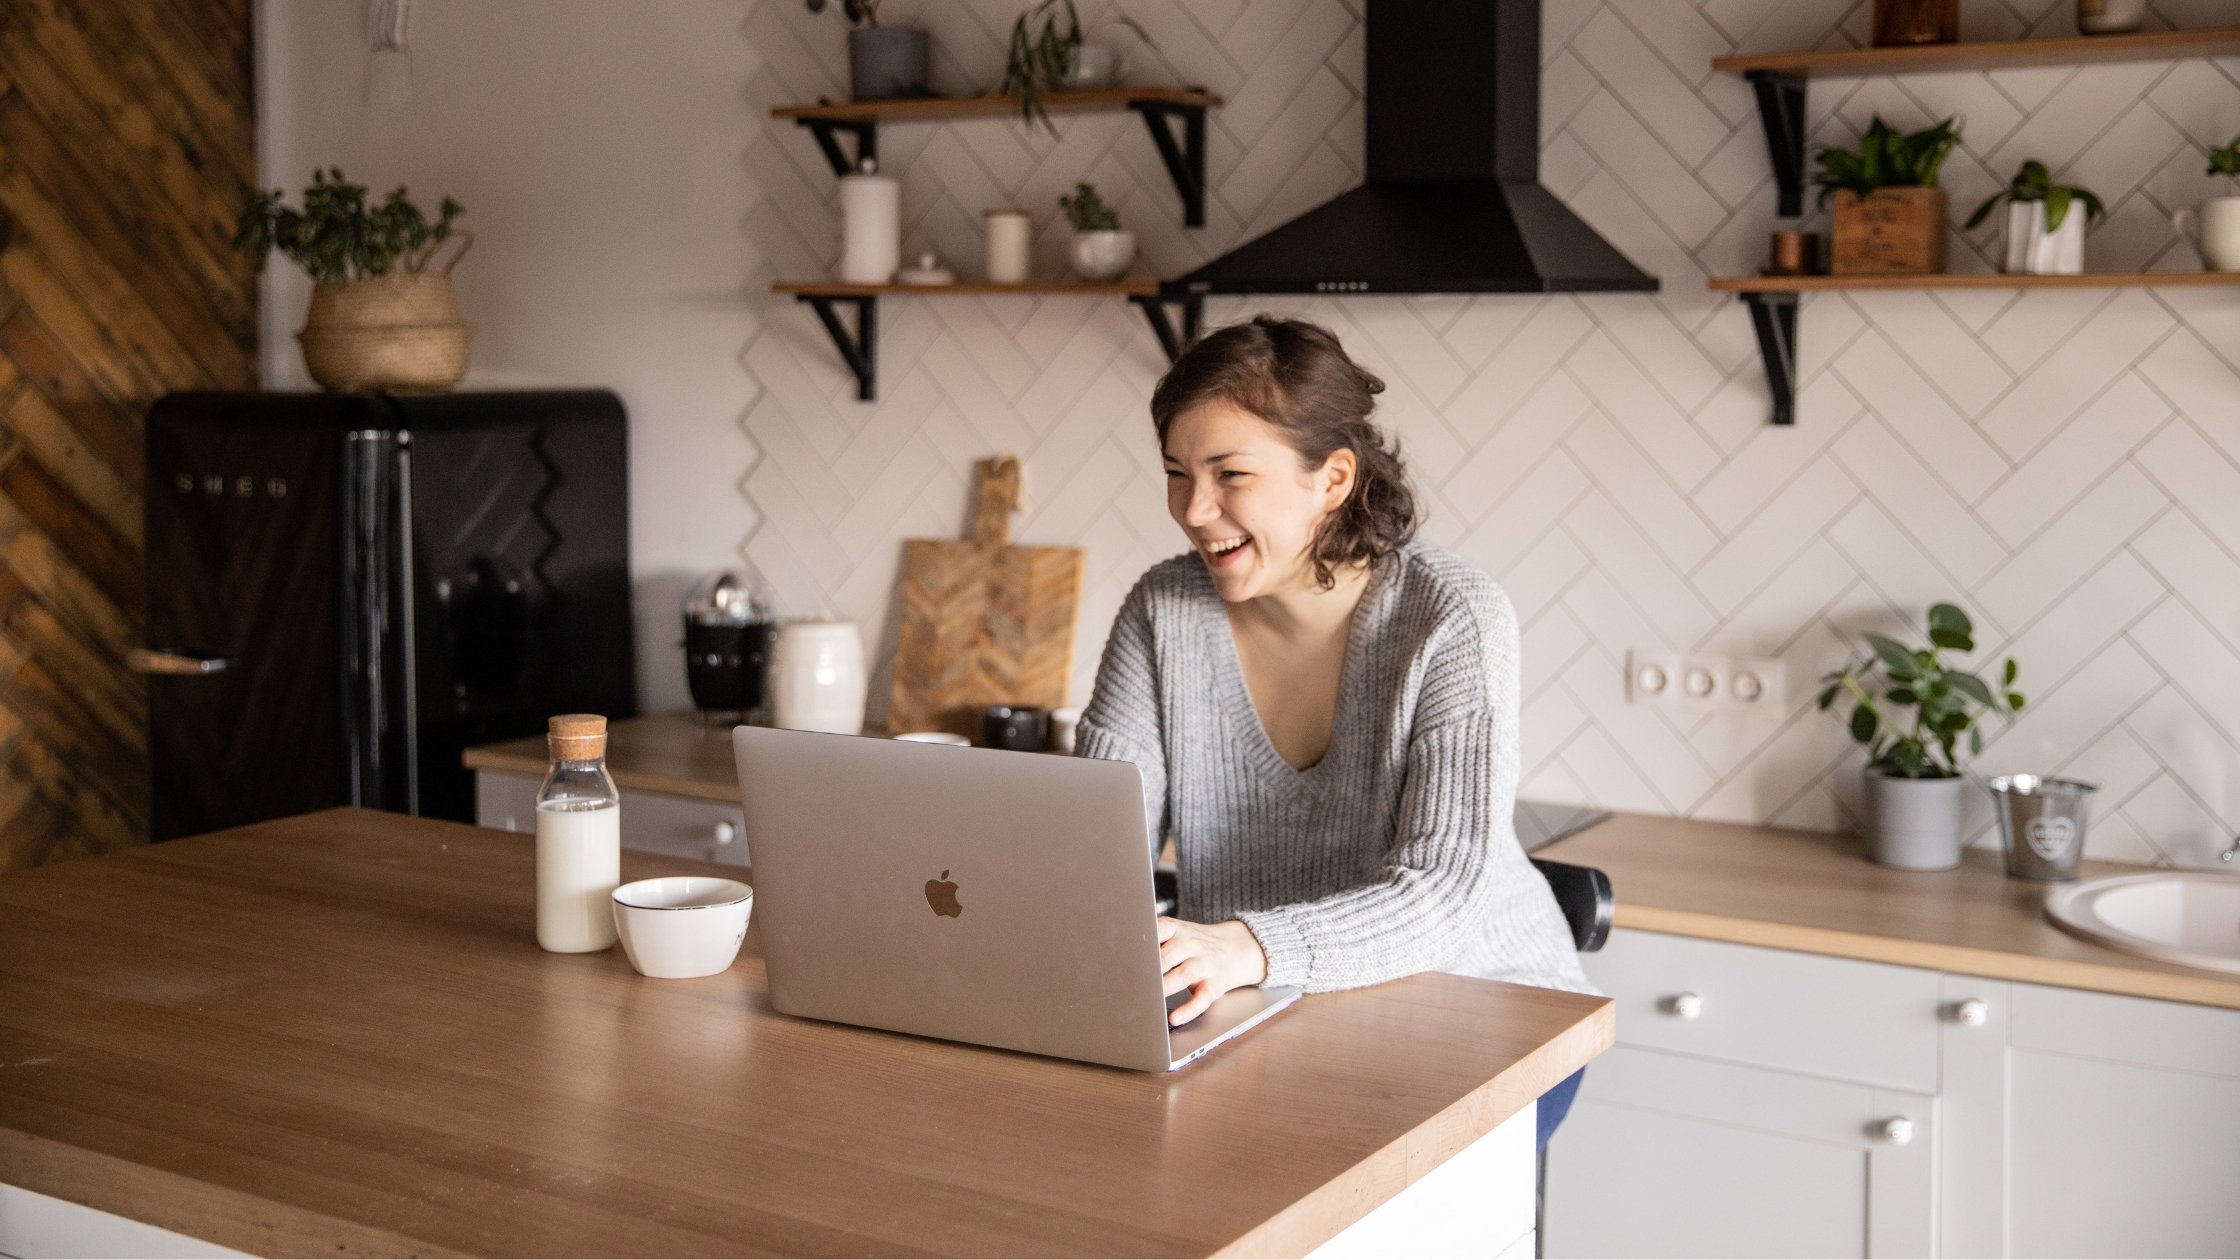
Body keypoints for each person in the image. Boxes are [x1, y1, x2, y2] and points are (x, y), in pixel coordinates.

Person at [1074, 315, 1597, 1148]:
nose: (1194, 510)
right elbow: (1091, 852)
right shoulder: (1161, 611)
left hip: (1484, 1018)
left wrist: (1249, 946)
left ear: (1334, 478)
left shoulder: (1449, 618)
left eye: (1229, 474)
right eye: (1176, 473)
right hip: (1261, 1018)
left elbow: (1442, 897)